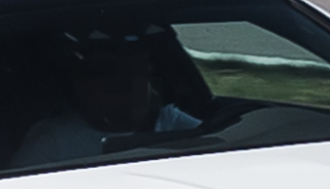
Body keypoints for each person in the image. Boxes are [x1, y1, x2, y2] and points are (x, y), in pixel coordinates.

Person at [12, 25, 206, 167]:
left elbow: (218, 146)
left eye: (136, 78)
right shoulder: (54, 142)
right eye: (114, 81)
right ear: (84, 88)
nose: (128, 89)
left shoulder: (174, 125)